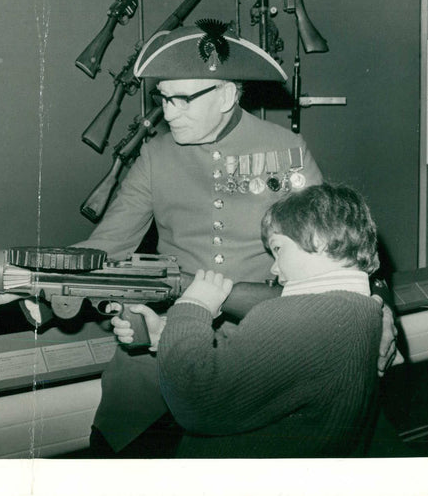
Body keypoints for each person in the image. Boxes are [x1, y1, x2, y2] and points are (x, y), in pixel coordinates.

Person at [0, 19, 398, 456]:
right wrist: (22, 283)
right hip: (156, 349)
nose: (168, 114)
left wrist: (377, 307)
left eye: (183, 100)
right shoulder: (155, 156)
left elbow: (340, 246)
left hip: (264, 356)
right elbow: (103, 249)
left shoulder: (285, 149)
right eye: (163, 99)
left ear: (226, 94)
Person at [115, 183, 383, 457]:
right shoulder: (362, 310)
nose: (274, 268)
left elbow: (196, 402)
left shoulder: (294, 316)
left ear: (319, 238)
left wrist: (192, 305)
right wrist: (169, 335)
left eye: (279, 249)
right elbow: (260, 373)